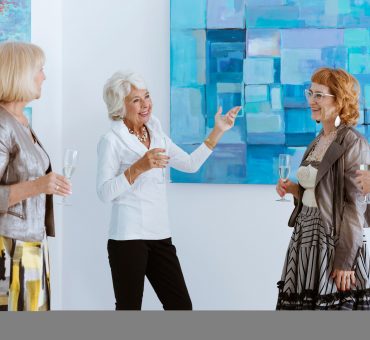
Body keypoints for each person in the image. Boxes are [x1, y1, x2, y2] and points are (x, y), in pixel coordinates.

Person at [97, 71, 240, 310]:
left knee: (180, 306)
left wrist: (219, 130)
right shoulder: (111, 140)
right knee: (128, 308)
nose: (145, 105)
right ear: (119, 106)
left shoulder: (156, 133)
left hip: (160, 235)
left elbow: (190, 165)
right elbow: (104, 192)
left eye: (147, 96)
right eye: (136, 100)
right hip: (128, 237)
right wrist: (139, 167)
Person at [275, 67, 370, 310]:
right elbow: (320, 191)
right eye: (311, 93)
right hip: (305, 236)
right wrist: (294, 189)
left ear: (339, 101)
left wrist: (345, 260)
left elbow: (355, 205)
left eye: (319, 95)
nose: (311, 101)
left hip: (332, 241)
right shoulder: (319, 139)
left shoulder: (353, 142)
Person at [0, 42, 71, 311]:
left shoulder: (21, 121)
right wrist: (39, 185)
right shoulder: (2, 124)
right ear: (20, 73)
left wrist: (46, 185)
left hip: (32, 241)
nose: (44, 76)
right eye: (39, 69)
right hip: (9, 247)